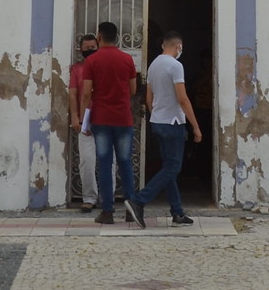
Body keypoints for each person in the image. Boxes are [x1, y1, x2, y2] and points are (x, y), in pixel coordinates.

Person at [128, 31, 201, 228]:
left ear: (163, 45)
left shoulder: (153, 65)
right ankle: (139, 200)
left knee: (168, 168)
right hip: (173, 123)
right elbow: (183, 99)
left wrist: (156, 115)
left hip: (158, 121)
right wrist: (195, 126)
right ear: (178, 47)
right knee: (173, 167)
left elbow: (149, 98)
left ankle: (177, 211)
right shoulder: (175, 66)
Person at [78, 19, 138, 225]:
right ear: (117, 37)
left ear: (99, 37)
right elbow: (133, 90)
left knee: (104, 164)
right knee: (125, 163)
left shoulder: (92, 61)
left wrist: (83, 120)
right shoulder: (127, 59)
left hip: (101, 119)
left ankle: (107, 211)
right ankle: (131, 209)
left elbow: (86, 93)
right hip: (123, 118)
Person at [69, 33, 100, 209]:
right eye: (86, 48)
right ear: (80, 49)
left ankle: (107, 197)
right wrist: (75, 116)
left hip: (104, 118)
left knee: (108, 161)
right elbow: (73, 94)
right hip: (85, 119)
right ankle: (89, 198)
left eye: (93, 47)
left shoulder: (104, 66)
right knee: (87, 160)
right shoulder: (77, 69)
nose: (89, 51)